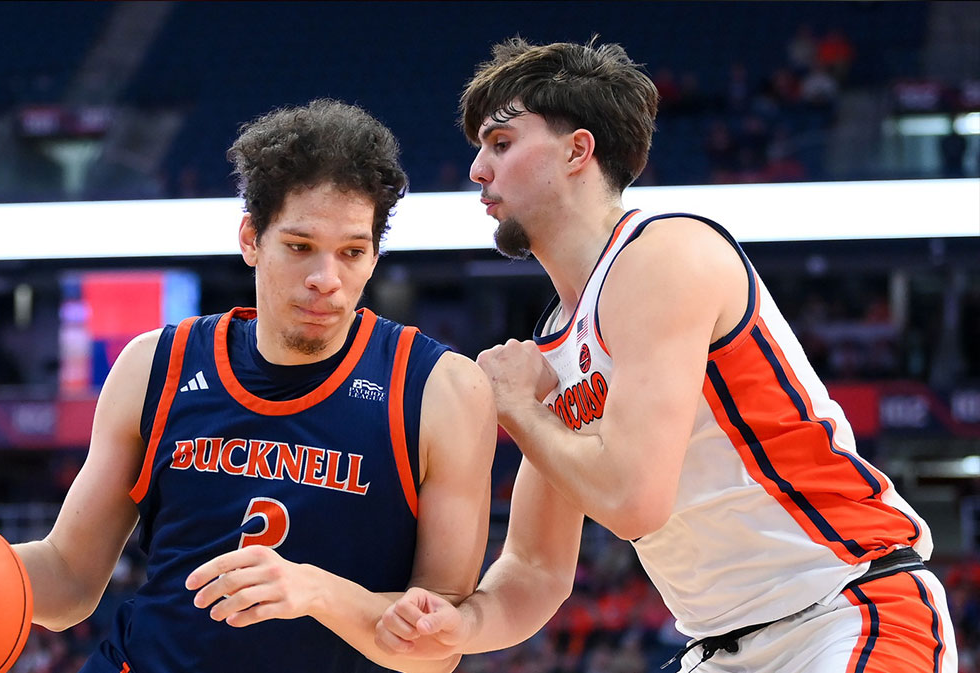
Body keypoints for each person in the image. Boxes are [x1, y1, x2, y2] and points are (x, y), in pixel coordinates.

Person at [0, 99, 497, 673]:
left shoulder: (439, 391)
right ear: (251, 239)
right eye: (299, 246)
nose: (326, 276)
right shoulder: (156, 365)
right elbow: (69, 577)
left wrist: (315, 590)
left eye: (352, 251)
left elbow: (435, 647)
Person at [375, 38, 957, 672]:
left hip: (845, 608)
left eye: (502, 143)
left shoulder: (663, 253)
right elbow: (535, 570)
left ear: (578, 150)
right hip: (720, 647)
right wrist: (456, 625)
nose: (477, 171)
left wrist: (518, 405)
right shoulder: (552, 342)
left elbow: (632, 499)